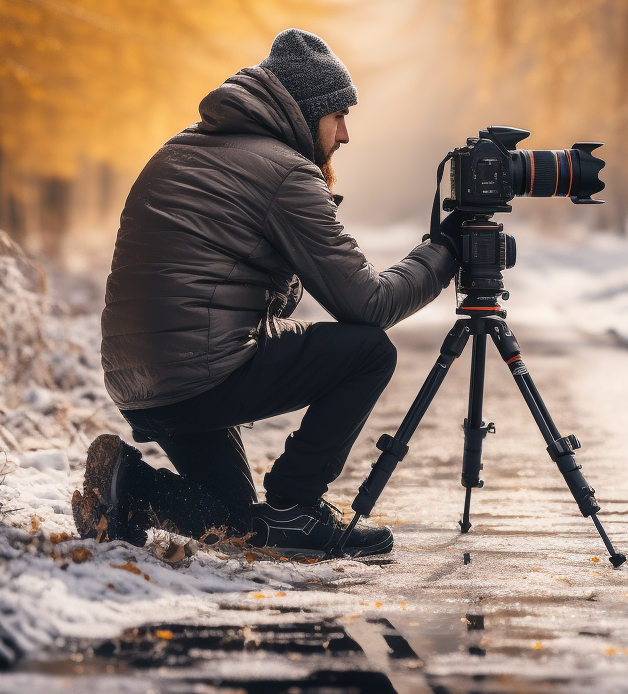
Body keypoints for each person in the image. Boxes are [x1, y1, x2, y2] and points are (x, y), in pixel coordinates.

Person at [72, 28, 456, 556]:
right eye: (339, 116)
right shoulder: (282, 172)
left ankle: (131, 489)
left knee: (242, 526)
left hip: (140, 381)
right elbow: (367, 303)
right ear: (304, 112)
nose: (345, 135)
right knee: (366, 351)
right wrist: (443, 253)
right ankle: (297, 505)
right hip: (200, 372)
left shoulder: (184, 148)